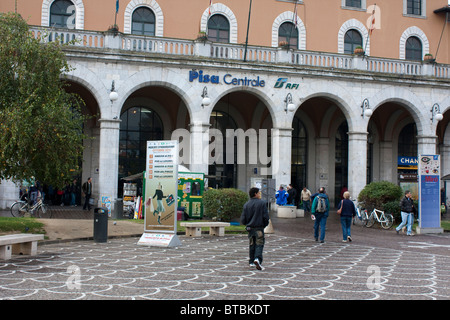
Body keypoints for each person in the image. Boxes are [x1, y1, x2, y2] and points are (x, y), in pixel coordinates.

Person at [241, 187, 270, 271]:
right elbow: (266, 217)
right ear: (255, 194)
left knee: (251, 244)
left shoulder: (246, 204)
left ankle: (251, 261)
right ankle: (257, 259)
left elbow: (243, 219)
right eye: (258, 193)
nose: (259, 194)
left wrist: (247, 224)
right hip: (259, 227)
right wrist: (264, 225)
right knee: (259, 244)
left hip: (250, 228)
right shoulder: (262, 203)